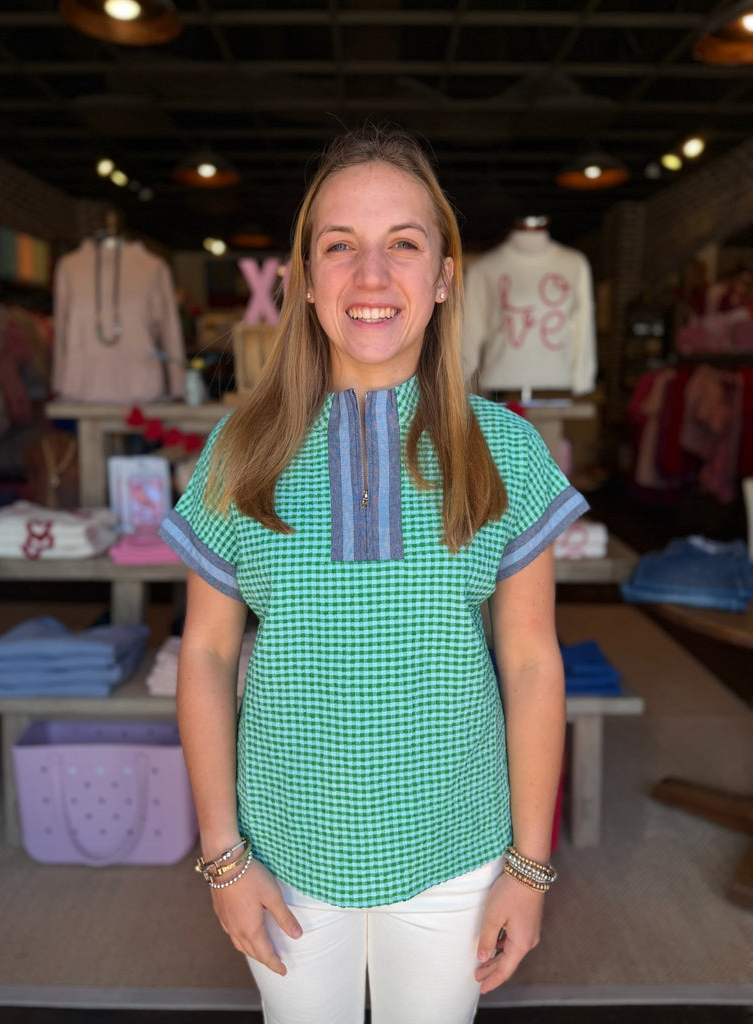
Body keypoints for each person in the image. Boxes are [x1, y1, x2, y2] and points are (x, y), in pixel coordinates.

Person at [160, 124, 589, 1024]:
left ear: (443, 278)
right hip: (282, 847)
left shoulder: (503, 448)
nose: (370, 276)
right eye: (339, 247)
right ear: (305, 281)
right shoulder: (241, 448)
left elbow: (531, 664)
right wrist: (224, 857)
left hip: (455, 850)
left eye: (403, 244)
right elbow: (204, 655)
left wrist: (529, 866)